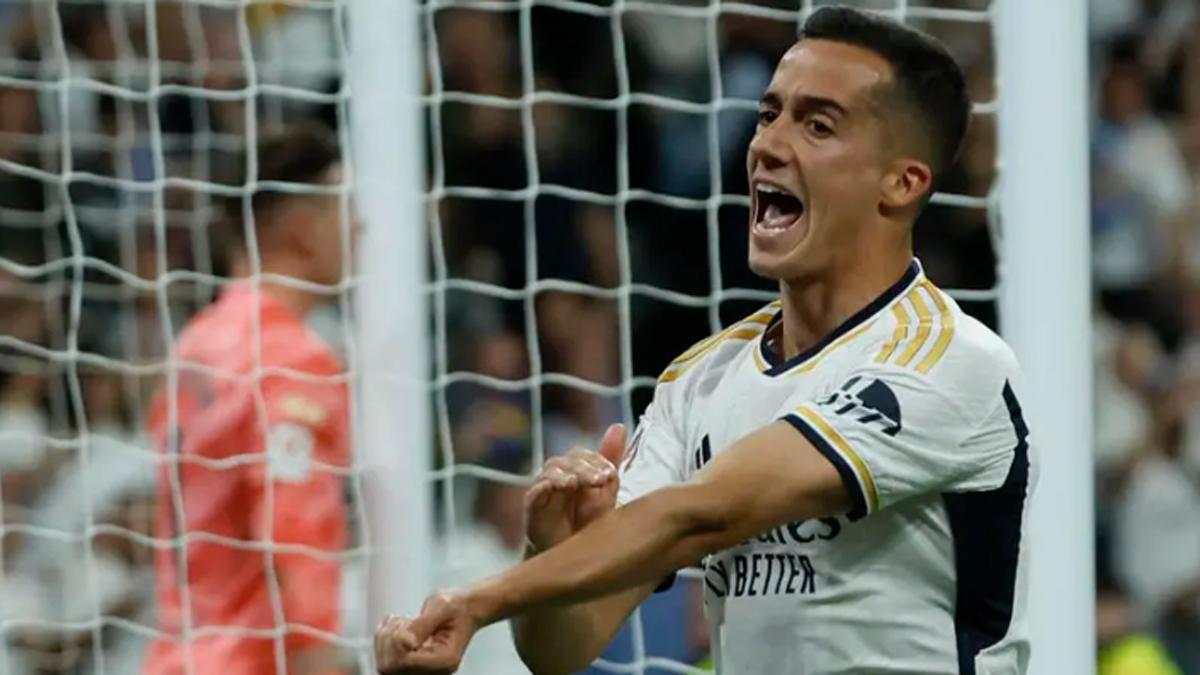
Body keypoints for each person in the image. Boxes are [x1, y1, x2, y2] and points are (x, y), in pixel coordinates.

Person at [376, 7, 1035, 674]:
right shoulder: (701, 379)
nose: (769, 144)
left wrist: (479, 598)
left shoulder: (946, 360)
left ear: (902, 182)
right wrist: (548, 550)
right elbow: (563, 647)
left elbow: (706, 514)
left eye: (817, 125)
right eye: (768, 114)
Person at [144, 123, 354, 675]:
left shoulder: (194, 345)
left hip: (178, 655)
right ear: (303, 229)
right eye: (341, 210)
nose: (359, 225)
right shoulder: (292, 358)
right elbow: (295, 531)